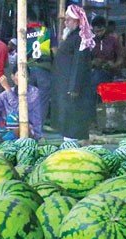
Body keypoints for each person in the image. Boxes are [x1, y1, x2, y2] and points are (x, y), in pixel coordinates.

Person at [51, 4, 95, 141]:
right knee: (66, 115)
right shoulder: (71, 36)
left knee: (73, 117)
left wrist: (74, 87)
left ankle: (72, 144)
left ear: (77, 20)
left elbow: (79, 63)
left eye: (68, 20)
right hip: (66, 83)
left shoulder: (80, 38)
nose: (65, 22)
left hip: (73, 86)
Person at [26, 16, 53, 130]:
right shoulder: (46, 32)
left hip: (28, 70)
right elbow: (55, 51)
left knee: (28, 99)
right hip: (44, 69)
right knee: (42, 100)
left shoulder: (23, 32)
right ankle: (38, 128)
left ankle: (27, 126)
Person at [91, 15, 122, 88]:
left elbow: (120, 58)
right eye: (96, 31)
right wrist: (93, 62)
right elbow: (85, 59)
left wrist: (114, 65)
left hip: (110, 71)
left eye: (101, 30)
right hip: (94, 71)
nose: (99, 33)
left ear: (105, 28)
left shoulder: (113, 41)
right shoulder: (90, 42)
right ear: (93, 30)